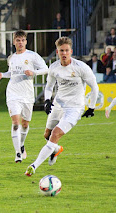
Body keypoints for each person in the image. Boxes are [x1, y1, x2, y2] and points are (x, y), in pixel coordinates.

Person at [25, 37, 99, 176]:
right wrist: (47, 100)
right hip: (58, 104)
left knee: (55, 134)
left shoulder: (81, 67)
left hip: (75, 108)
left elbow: (94, 87)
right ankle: (56, 149)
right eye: (61, 51)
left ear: (71, 51)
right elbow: (49, 87)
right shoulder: (54, 68)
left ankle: (33, 166)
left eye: (66, 50)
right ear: (57, 52)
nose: (64, 53)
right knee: (47, 135)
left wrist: (92, 107)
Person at [0, 30, 48, 163]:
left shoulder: (32, 56)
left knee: (25, 124)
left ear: (26, 41)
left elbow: (46, 69)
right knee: (16, 123)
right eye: (18, 40)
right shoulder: (11, 57)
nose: (20, 43)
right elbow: (11, 73)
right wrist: (3, 75)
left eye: (22, 40)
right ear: (14, 42)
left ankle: (22, 144)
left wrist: (33, 72)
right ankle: (18, 153)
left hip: (27, 94)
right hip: (13, 93)